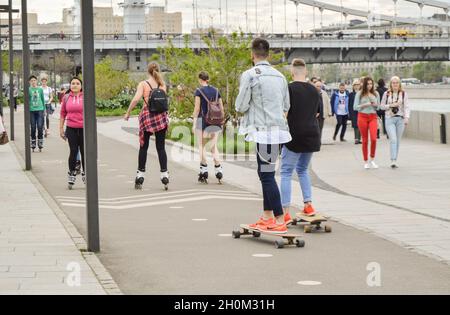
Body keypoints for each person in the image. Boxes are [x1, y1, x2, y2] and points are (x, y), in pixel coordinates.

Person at [235, 38, 291, 234]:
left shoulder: (250, 75)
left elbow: (240, 106)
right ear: (268, 54)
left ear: (252, 54)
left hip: (263, 133)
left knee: (266, 175)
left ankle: (279, 218)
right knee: (264, 173)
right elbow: (286, 106)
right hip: (279, 132)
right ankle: (267, 216)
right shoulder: (280, 76)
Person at [281, 59, 321, 219]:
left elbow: (285, 113)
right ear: (306, 72)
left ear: (292, 72)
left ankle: (284, 212)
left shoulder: (288, 89)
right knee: (303, 169)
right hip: (312, 135)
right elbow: (317, 113)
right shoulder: (314, 90)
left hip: (294, 135)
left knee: (285, 171)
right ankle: (308, 205)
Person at [124, 62, 170, 190]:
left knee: (143, 147)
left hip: (147, 117)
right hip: (160, 117)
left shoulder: (143, 84)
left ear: (148, 71)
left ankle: (140, 175)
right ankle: (164, 174)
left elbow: (136, 99)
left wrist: (128, 112)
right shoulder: (162, 84)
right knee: (161, 147)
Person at [193, 71, 225, 183]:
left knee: (202, 146)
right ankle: (218, 170)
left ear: (200, 79)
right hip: (216, 121)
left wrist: (194, 123)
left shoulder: (199, 91)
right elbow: (221, 108)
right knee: (213, 146)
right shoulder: (216, 90)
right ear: (208, 79)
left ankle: (204, 170)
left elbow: (197, 109)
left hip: (203, 121)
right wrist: (221, 121)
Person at [59, 77, 85, 189]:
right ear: (70, 86)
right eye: (73, 83)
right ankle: (72, 173)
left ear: (81, 86)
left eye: (77, 83)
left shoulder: (86, 97)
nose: (75, 85)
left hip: (84, 129)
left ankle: (86, 173)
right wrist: (61, 129)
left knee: (84, 152)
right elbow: (62, 114)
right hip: (71, 128)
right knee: (73, 151)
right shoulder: (66, 97)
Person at [380, 76, 410, 169]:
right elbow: (381, 106)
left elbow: (407, 107)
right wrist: (390, 105)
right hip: (389, 118)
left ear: (399, 84)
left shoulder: (404, 94)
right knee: (393, 139)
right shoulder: (387, 93)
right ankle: (392, 160)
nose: (395, 84)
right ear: (391, 84)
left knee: (398, 141)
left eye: (397, 82)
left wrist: (407, 118)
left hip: (400, 119)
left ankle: (395, 160)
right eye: (393, 82)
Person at [354, 77, 381, 169]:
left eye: (371, 84)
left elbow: (378, 108)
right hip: (362, 117)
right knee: (365, 140)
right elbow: (355, 107)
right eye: (368, 84)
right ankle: (365, 161)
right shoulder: (359, 94)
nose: (370, 85)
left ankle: (372, 159)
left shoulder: (376, 93)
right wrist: (365, 104)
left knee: (374, 139)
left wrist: (375, 105)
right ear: (364, 84)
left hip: (373, 117)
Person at [29, 75, 46, 152]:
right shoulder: (28, 90)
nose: (33, 82)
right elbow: (27, 100)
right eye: (31, 80)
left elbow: (42, 99)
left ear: (36, 81)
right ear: (29, 82)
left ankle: (40, 142)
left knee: (39, 126)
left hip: (40, 110)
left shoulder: (40, 89)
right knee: (32, 127)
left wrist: (44, 110)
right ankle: (33, 142)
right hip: (31, 110)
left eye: (34, 80)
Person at [349, 79, 362, 145]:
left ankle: (359, 138)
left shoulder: (362, 93)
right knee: (355, 125)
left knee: (361, 125)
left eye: (358, 85)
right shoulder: (351, 94)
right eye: (355, 85)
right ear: (353, 86)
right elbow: (349, 104)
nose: (357, 86)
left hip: (361, 111)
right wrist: (350, 113)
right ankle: (356, 139)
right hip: (354, 112)